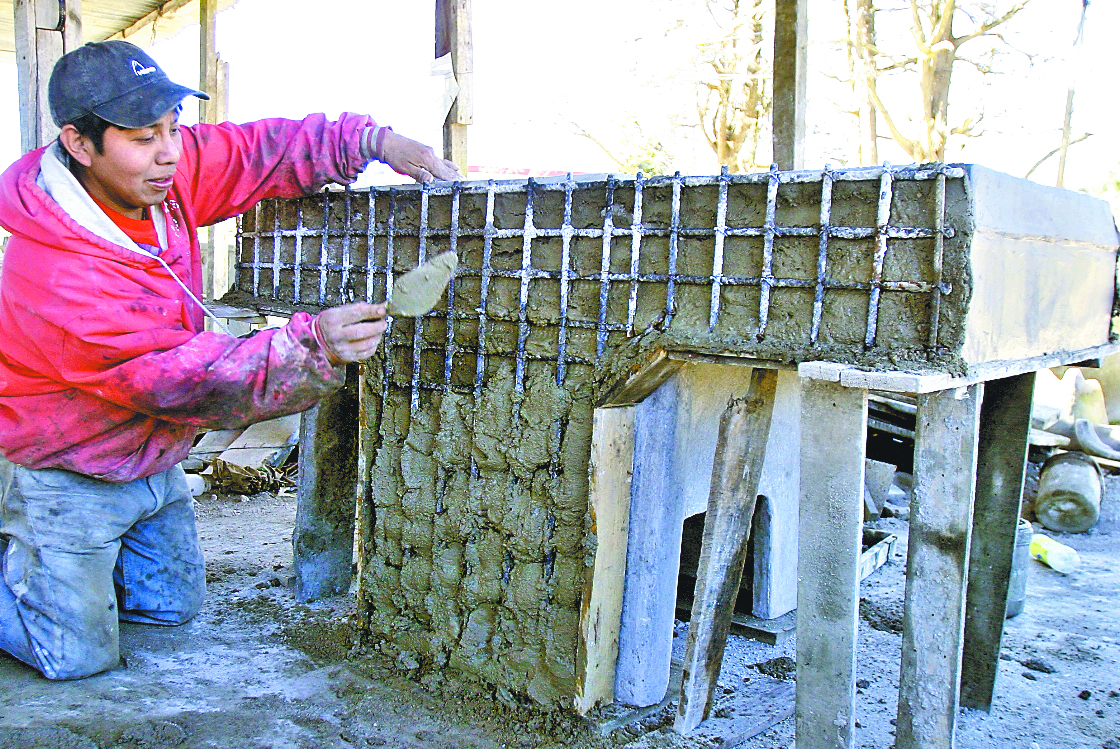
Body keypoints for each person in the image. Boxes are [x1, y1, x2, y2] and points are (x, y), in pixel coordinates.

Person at [0, 40, 459, 680]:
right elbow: (182, 381)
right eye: (142, 136)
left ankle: (71, 573)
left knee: (171, 614)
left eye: (172, 129)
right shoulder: (57, 273)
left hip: (152, 460)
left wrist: (374, 141)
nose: (168, 151)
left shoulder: (156, 175)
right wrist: (313, 346)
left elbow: (256, 153)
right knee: (75, 659)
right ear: (79, 144)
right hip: (70, 468)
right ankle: (22, 569)